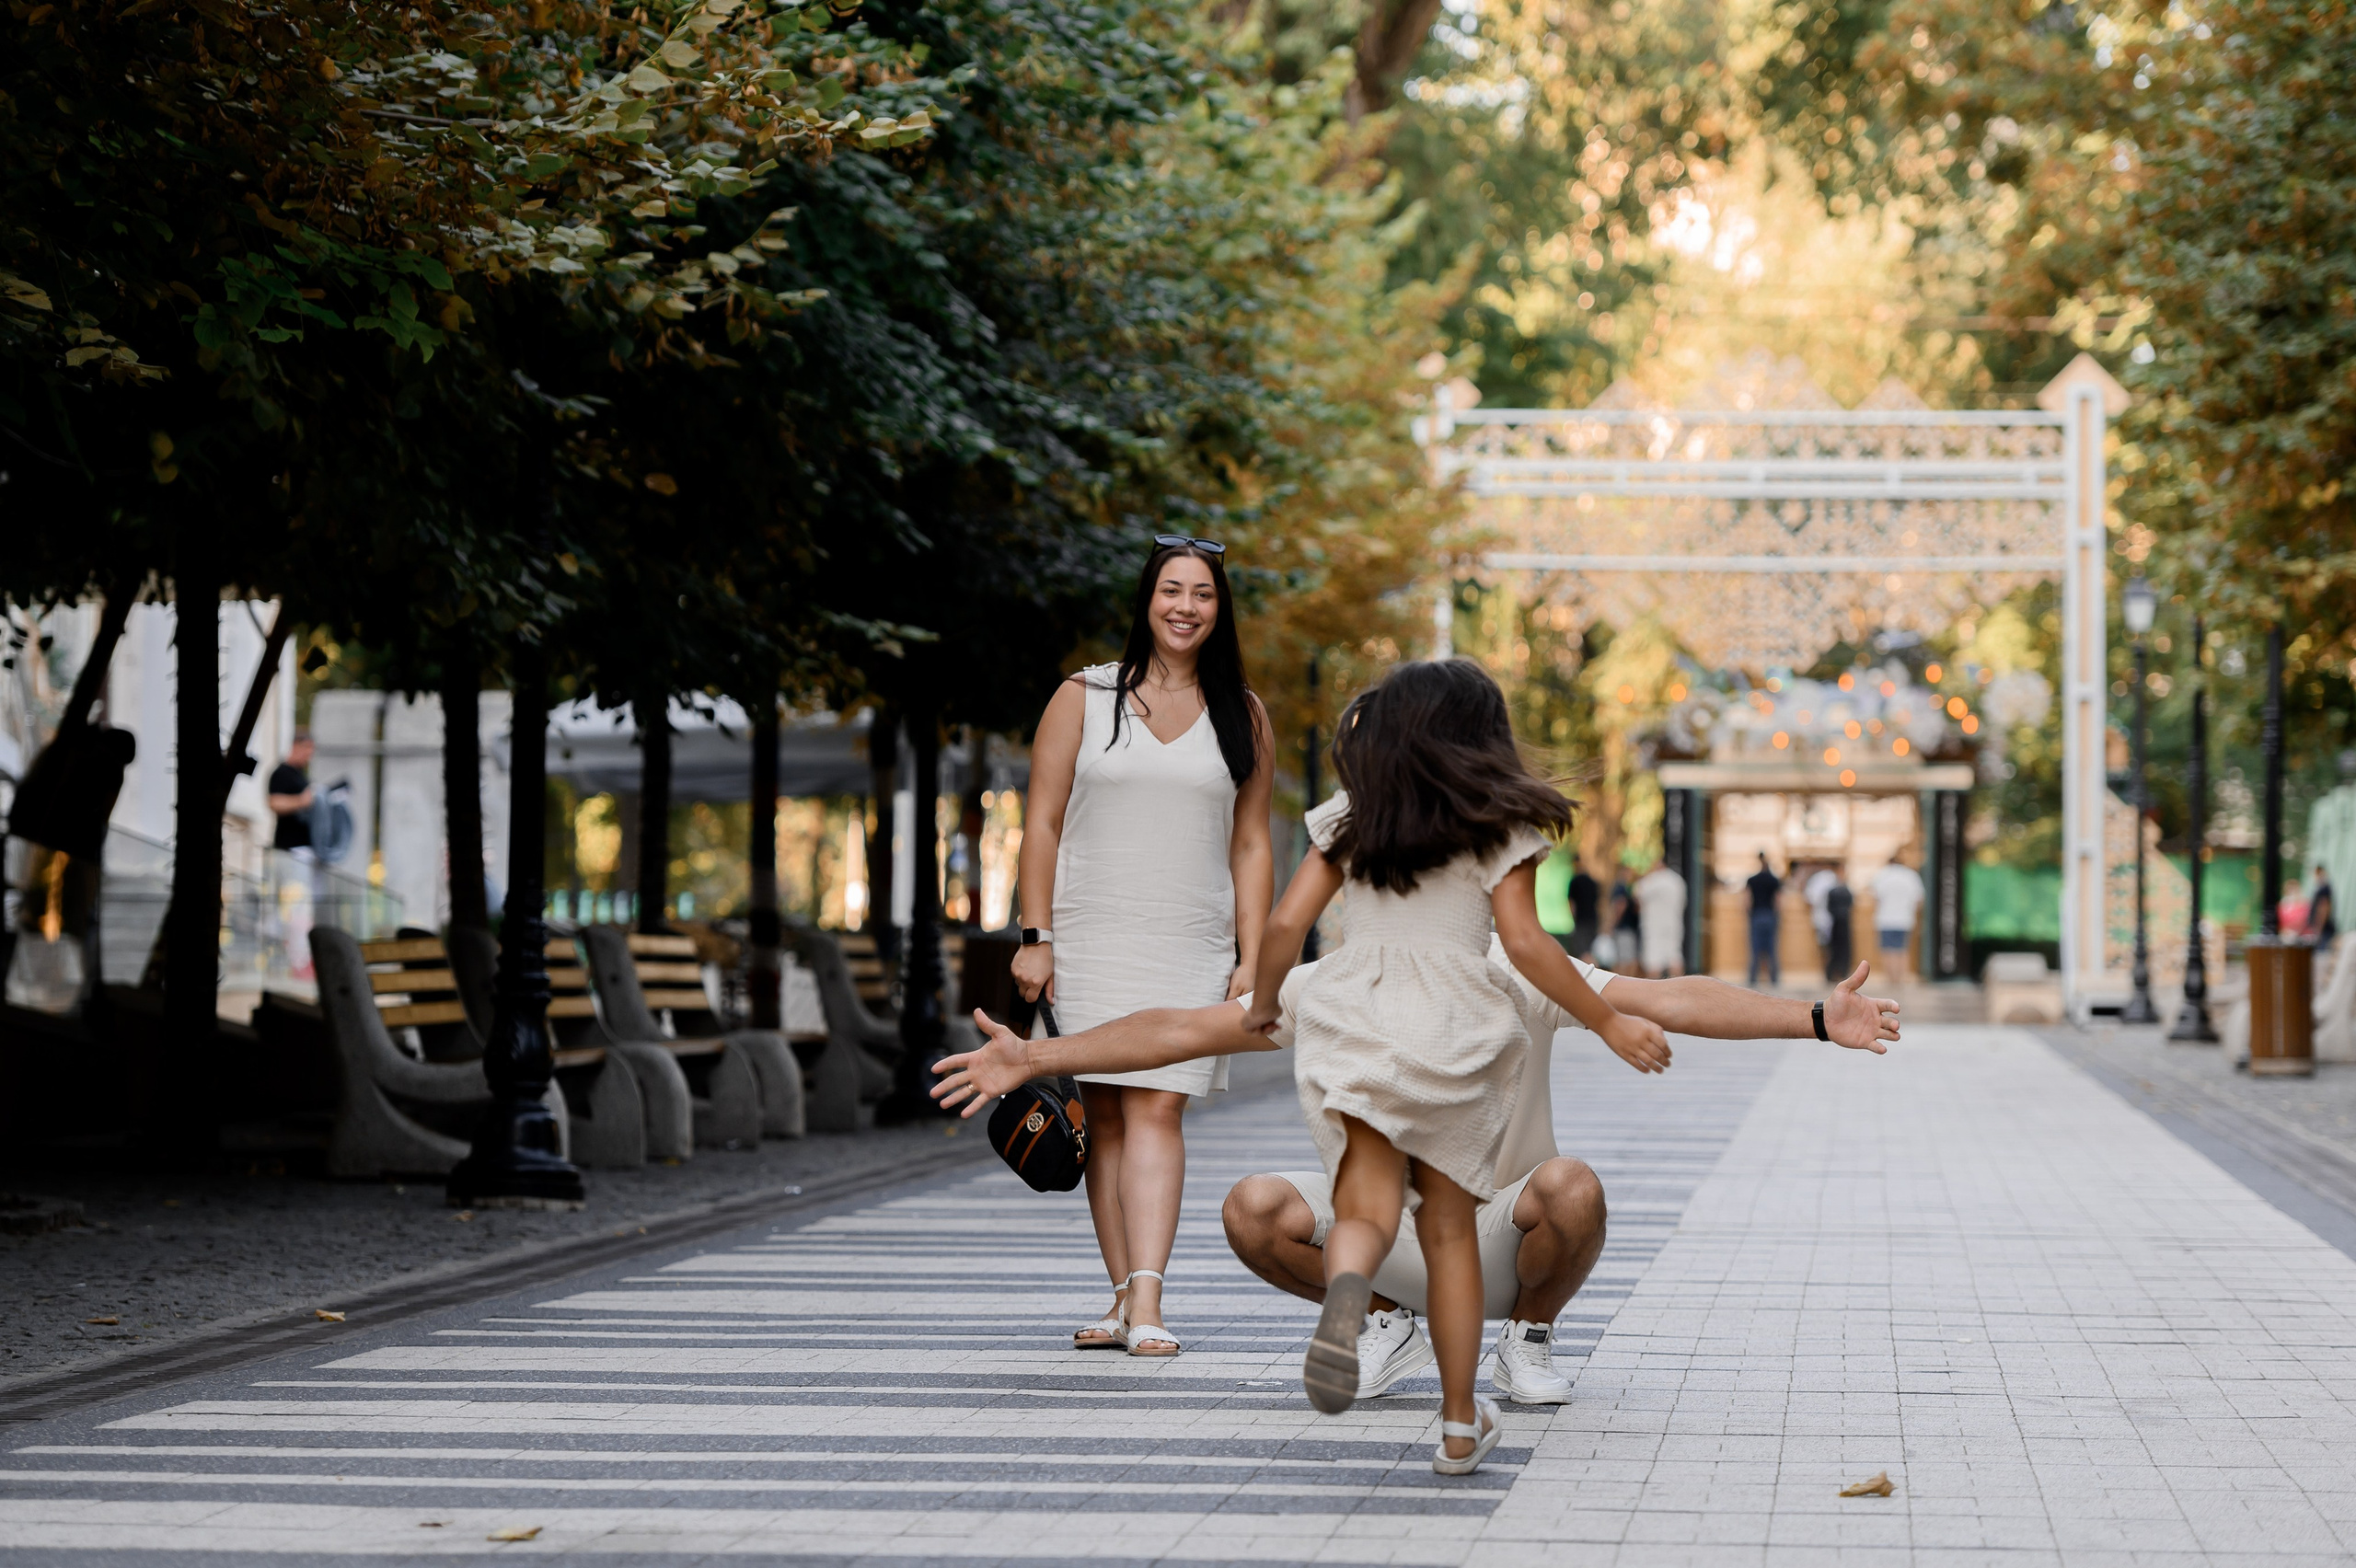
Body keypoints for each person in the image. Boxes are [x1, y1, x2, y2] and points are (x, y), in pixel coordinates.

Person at [933, 935, 1902, 1435]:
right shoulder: (1329, 986)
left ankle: (1526, 1338)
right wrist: (1039, 1056)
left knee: (1573, 1187)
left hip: (1496, 1233)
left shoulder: (1517, 970)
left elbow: (1666, 1000)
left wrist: (1812, 1016)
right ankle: (1389, 1318)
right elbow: (1181, 1030)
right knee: (1252, 1209)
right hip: (1387, 1240)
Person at [1223, 658, 1667, 1475]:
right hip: (1457, 1034)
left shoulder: (1347, 822)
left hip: (1357, 1025)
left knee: (1365, 1194)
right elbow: (1529, 947)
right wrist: (1607, 1022)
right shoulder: (1499, 823)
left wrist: (1262, 998)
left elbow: (1286, 923)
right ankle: (1460, 1423)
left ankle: (1360, 1300)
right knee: (1451, 1228)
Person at [1010, 536, 1275, 1359]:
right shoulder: (1082, 699)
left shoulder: (1245, 711)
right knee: (1111, 1118)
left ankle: (1151, 1297)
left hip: (1190, 934)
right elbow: (1043, 822)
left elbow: (1253, 846)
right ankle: (1124, 1295)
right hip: (1092, 931)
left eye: (1203, 594)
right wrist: (1036, 935)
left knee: (1159, 1104)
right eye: (1172, 591)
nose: (1186, 607)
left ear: (1219, 609)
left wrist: (1254, 953)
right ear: (1146, 601)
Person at [1632, 857, 1687, 978]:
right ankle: (1678, 991)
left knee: (1654, 962)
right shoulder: (1677, 881)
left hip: (1654, 927)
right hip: (1673, 925)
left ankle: (1655, 995)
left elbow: (1637, 892)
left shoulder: (1653, 880)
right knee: (1674, 958)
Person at [1868, 858, 1924, 975]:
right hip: (1904, 919)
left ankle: (1891, 978)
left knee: (1887, 950)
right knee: (1902, 949)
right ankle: (1901, 977)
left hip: (1885, 919)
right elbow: (1919, 899)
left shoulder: (1882, 875)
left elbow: (1874, 897)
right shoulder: (1911, 876)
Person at [266, 732, 317, 853]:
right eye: (306, 748)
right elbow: (274, 802)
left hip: (306, 847)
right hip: (290, 847)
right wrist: (301, 801)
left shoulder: (300, 774)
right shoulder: (282, 773)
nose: (308, 755)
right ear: (295, 746)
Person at [1745, 852, 1783, 988]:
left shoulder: (1752, 880)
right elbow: (1778, 901)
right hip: (1769, 915)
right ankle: (1774, 980)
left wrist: (1749, 914)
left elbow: (1747, 900)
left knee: (1755, 949)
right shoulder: (1774, 880)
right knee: (1772, 949)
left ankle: (1752, 979)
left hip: (1756, 915)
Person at [1565, 859, 1602, 959]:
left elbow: (1571, 903)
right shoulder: (1592, 882)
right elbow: (1598, 903)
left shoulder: (1574, 881)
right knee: (1590, 951)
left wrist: (1574, 918)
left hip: (1581, 921)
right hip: (1593, 921)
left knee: (1584, 953)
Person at [2307, 864, 2338, 947]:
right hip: (2321, 928)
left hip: (2324, 929)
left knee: (2321, 954)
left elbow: (2324, 908)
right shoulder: (2321, 888)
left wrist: (2318, 928)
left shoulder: (2324, 888)